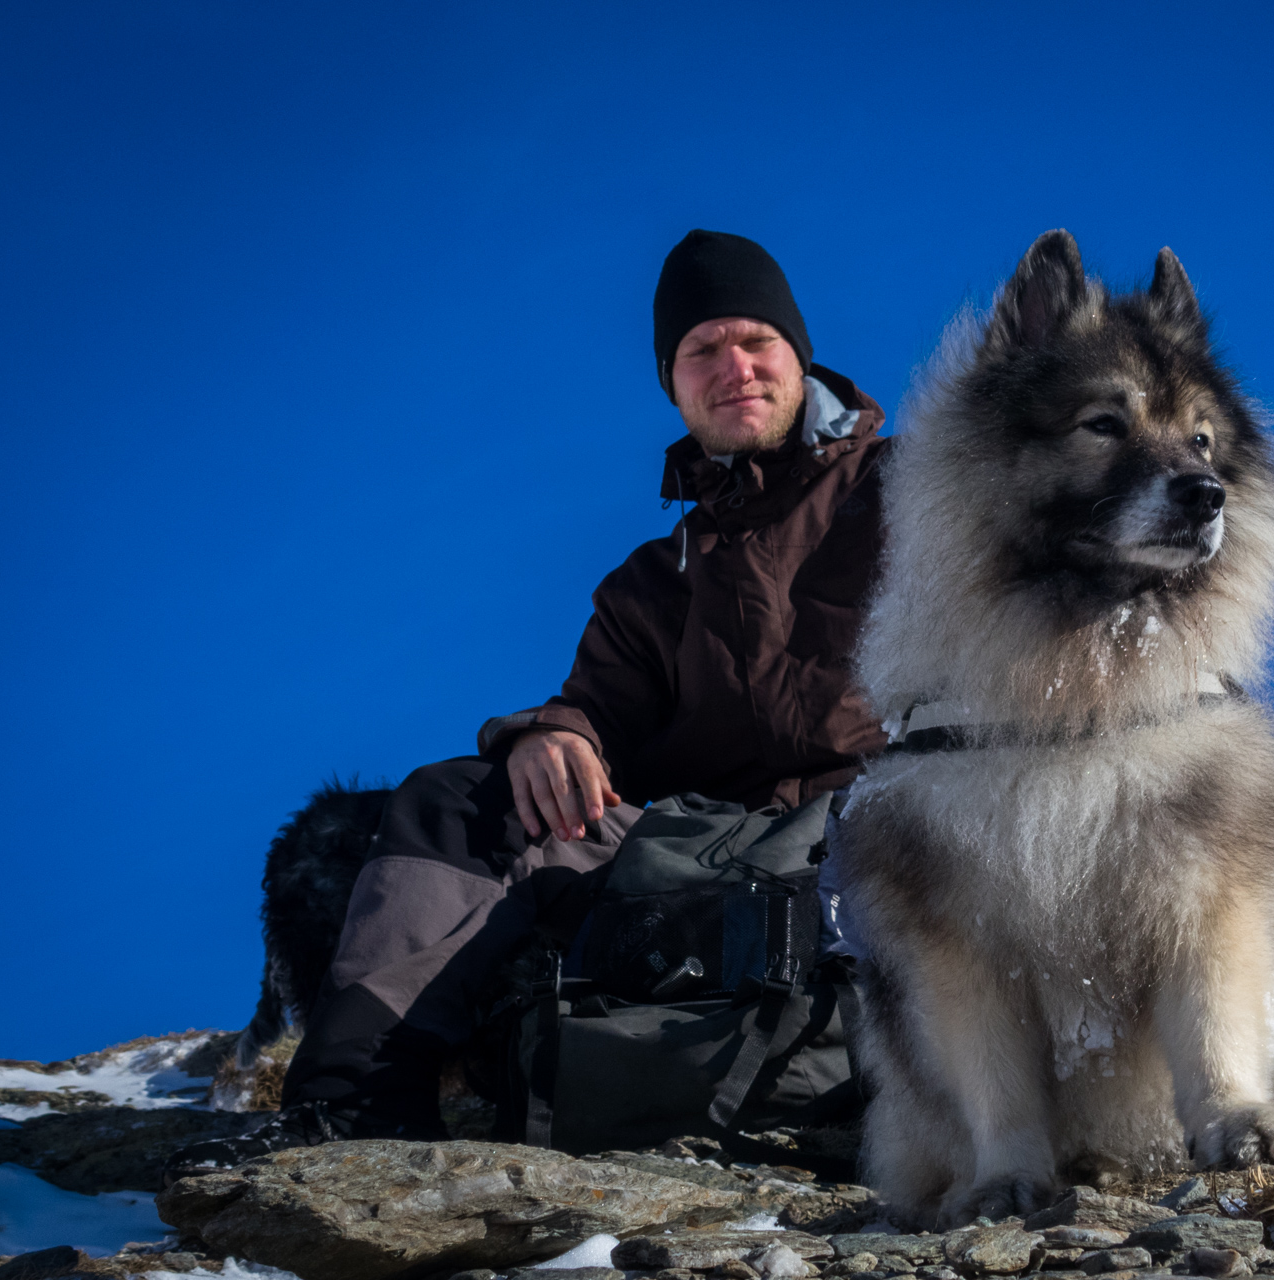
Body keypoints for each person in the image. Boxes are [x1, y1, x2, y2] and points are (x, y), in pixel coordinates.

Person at [169, 230, 889, 1175]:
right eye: (699, 351)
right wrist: (552, 735)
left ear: (800, 355)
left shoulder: (910, 496)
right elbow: (597, 708)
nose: (734, 368)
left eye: (755, 340)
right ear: (672, 386)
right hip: (706, 860)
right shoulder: (650, 583)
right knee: (457, 801)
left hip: (879, 847)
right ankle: (354, 1112)